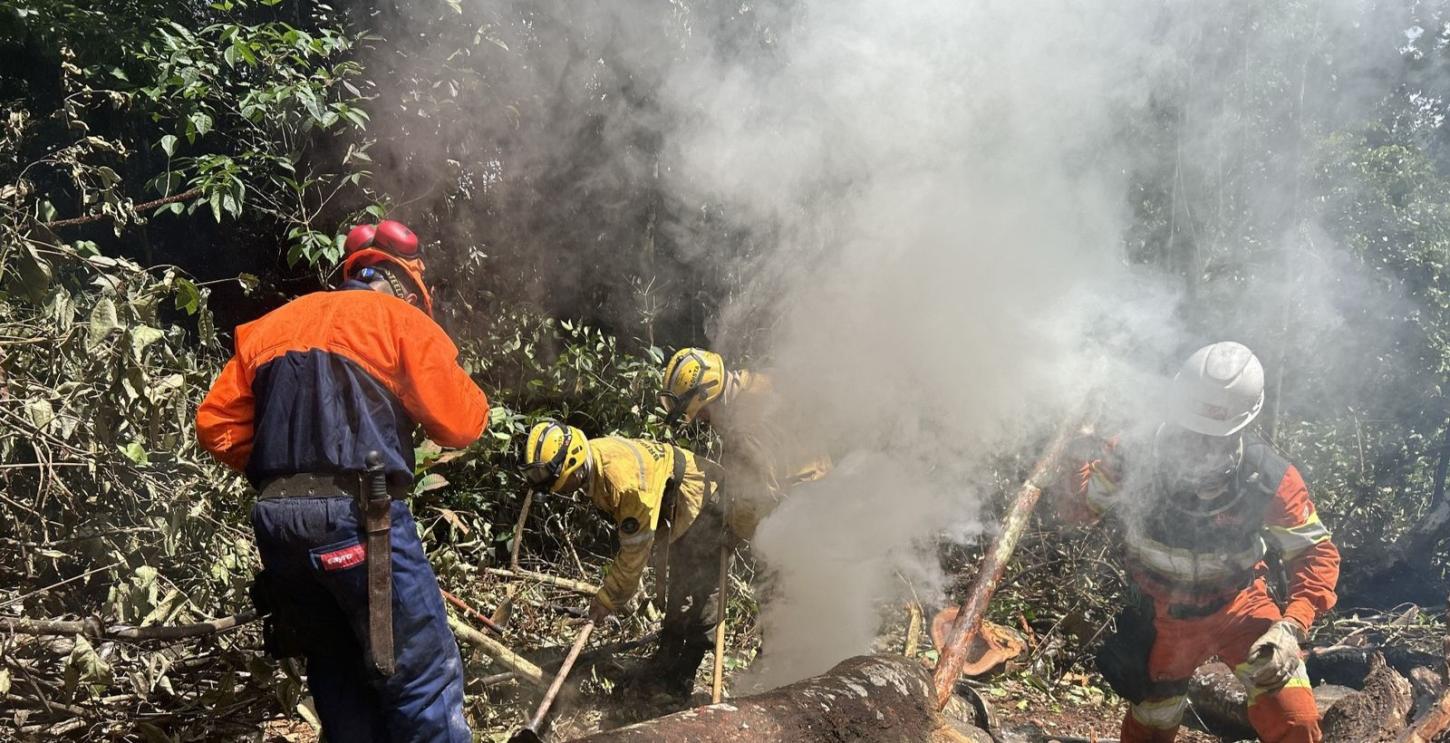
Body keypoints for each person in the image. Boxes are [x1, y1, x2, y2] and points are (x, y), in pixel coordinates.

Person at [197, 220, 489, 742]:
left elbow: (215, 424)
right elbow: (463, 423)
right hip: (362, 519)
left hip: (278, 527)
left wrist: (287, 469)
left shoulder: (271, 325)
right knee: (422, 676)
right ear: (407, 283)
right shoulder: (397, 319)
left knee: (337, 672)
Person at [1057, 341, 1339, 743]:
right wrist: (1077, 453)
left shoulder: (1268, 477)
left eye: (1215, 438)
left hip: (1241, 606)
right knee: (1152, 725)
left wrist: (1291, 628)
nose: (1201, 448)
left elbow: (1313, 551)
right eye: (1192, 433)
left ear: (1242, 426)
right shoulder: (1134, 454)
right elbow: (1080, 510)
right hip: (1161, 613)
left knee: (1295, 721)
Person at [521, 420, 732, 701]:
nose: (554, 490)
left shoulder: (624, 484)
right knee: (680, 588)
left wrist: (608, 598)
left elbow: (634, 553)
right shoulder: (593, 457)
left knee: (702, 593)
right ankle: (666, 661)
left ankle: (683, 676)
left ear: (571, 463)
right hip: (681, 505)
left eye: (552, 480)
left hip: (707, 500)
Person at [658, 348, 830, 540]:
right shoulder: (757, 381)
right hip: (825, 488)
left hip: (804, 517)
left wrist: (732, 524)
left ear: (706, 394)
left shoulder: (742, 432)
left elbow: (755, 501)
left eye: (700, 412)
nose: (700, 419)